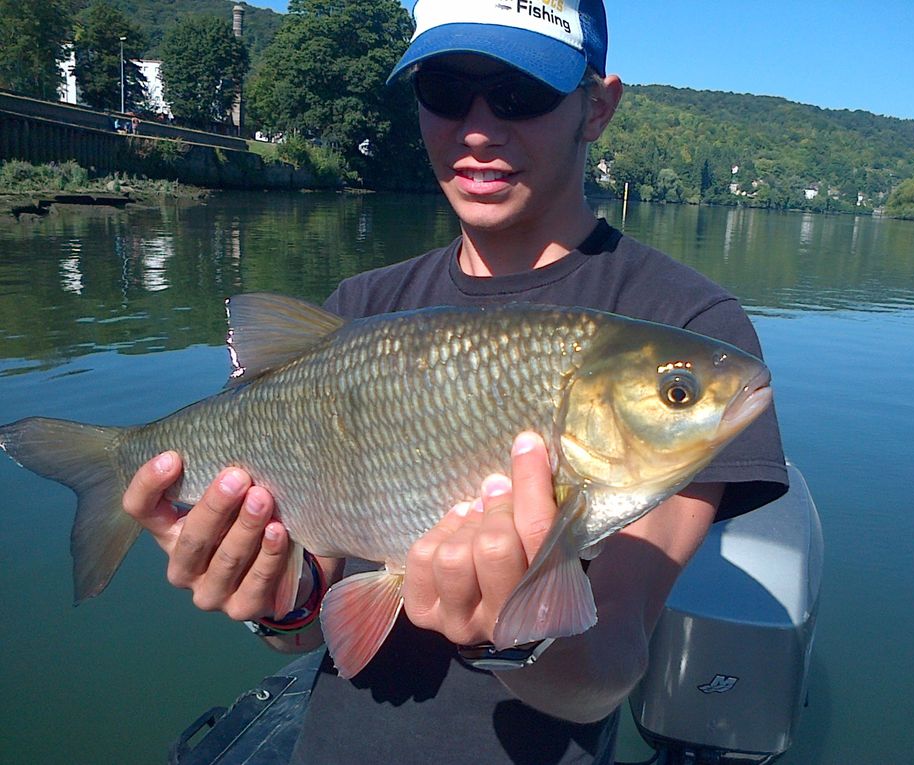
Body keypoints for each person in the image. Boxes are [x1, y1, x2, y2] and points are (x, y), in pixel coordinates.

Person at [123, 2, 788, 763]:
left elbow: (613, 659)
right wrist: (278, 598)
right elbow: (314, 618)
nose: (478, 128)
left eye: (519, 92)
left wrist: (522, 637)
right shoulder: (359, 310)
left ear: (597, 106)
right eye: (445, 89)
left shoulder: (688, 324)